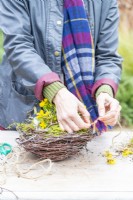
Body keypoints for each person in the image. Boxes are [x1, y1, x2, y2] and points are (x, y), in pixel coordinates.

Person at [0, 0, 122, 133]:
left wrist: (104, 90)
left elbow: (107, 56)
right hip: (26, 111)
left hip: (86, 115)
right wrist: (56, 92)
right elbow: (18, 46)